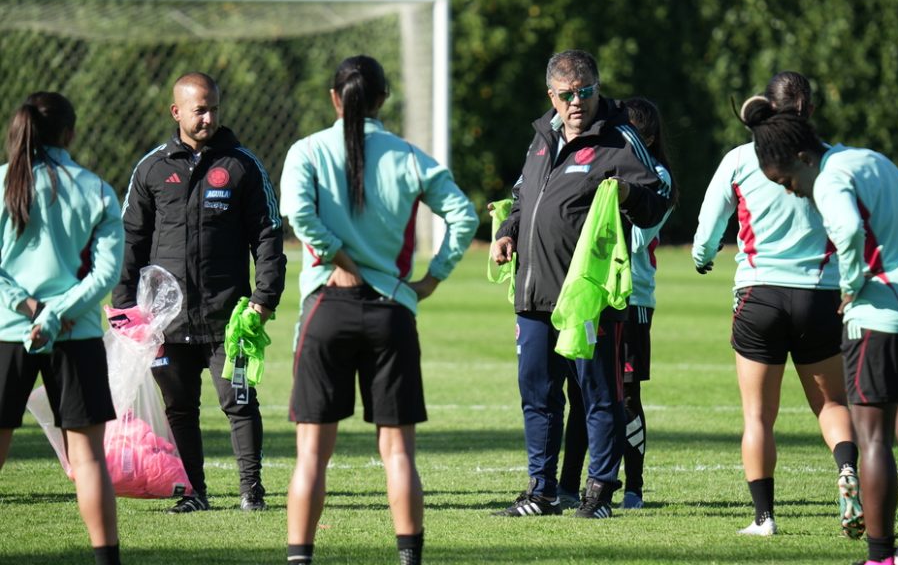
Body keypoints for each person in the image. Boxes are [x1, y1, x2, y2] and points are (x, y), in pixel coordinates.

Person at [281, 54, 478, 565]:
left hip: (326, 306)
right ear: (384, 99)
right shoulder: (410, 156)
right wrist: (433, 278)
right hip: (391, 309)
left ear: (333, 98)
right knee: (397, 453)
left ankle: (299, 557)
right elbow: (464, 214)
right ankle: (409, 558)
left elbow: (298, 213)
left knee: (311, 456)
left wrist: (336, 254)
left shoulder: (306, 151)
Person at [740, 94, 898, 565]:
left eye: (788, 181)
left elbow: (850, 231)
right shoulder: (872, 159)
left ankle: (878, 556)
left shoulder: (831, 178)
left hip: (879, 317)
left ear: (801, 157)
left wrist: (851, 285)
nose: (793, 191)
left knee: (874, 440)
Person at [491, 49, 671, 520]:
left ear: (597, 87)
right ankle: (541, 491)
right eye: (568, 94)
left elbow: (660, 199)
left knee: (599, 396)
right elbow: (521, 197)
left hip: (588, 299)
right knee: (538, 396)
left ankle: (599, 493)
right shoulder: (540, 138)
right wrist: (508, 232)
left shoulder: (618, 137)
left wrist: (631, 194)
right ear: (551, 95)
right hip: (533, 297)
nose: (577, 102)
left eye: (585, 91)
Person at [691, 72, 862, 538]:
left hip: (759, 297)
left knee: (758, 416)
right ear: (810, 107)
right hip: (820, 296)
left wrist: (702, 257)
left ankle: (764, 518)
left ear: (766, 105)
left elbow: (710, 224)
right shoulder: (835, 159)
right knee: (830, 403)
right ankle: (847, 470)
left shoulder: (741, 158)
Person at [114, 72, 286, 513]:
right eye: (199, 110)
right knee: (180, 409)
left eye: (213, 108)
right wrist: (123, 307)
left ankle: (252, 493)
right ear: (177, 112)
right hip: (166, 321)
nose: (208, 117)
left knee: (240, 402)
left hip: (230, 317)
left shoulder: (242, 165)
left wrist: (265, 298)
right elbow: (129, 241)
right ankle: (194, 493)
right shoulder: (151, 168)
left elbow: (268, 235)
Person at [0, 92, 124, 565]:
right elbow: (106, 275)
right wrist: (56, 313)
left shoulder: (4, 183)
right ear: (69, 133)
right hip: (77, 336)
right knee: (88, 458)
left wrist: (29, 306)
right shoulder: (94, 188)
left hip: (8, 333)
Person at [558, 97, 676, 510]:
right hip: (593, 294)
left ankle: (633, 487)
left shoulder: (655, 175)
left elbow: (639, 238)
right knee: (581, 391)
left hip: (632, 297)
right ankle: (568, 483)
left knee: (625, 395)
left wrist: (617, 204)